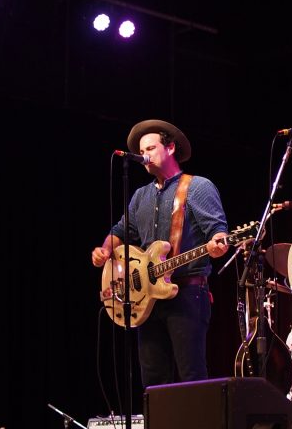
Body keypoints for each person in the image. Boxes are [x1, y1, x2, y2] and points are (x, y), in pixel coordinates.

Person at [91, 119, 229, 388]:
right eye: (142, 150)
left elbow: (218, 233)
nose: (145, 156)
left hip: (187, 293)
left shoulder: (198, 187)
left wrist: (218, 243)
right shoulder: (140, 196)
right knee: (153, 382)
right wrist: (105, 249)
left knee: (191, 379)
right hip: (148, 300)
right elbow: (121, 230)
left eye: (151, 148)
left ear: (170, 148)